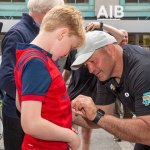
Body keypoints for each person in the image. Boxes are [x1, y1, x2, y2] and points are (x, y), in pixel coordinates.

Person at [14, 5, 85, 150]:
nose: (67, 54)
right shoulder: (37, 63)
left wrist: (58, 129)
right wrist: (69, 136)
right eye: (71, 47)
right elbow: (30, 123)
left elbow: (20, 104)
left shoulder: (28, 55)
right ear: (62, 34)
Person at [0, 0, 64, 150]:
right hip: (18, 116)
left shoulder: (37, 32)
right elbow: (6, 77)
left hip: (33, 113)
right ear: (48, 12)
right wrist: (34, 100)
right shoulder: (18, 34)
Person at [71, 31, 150, 150]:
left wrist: (97, 116)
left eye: (92, 61)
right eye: (86, 65)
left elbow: (147, 133)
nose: (91, 70)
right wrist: (64, 112)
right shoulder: (106, 73)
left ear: (110, 50)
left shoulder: (143, 71)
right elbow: (103, 115)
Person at [62, 22, 124, 149]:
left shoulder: (99, 49)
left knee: (86, 134)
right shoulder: (75, 51)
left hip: (91, 95)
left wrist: (102, 25)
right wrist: (60, 87)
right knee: (70, 131)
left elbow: (120, 37)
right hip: (73, 93)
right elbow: (67, 71)